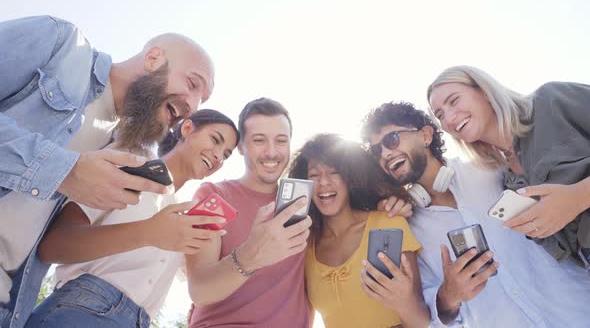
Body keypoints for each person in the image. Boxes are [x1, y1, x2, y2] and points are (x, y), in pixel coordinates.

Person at [0, 15, 214, 327]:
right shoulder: (62, 44)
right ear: (154, 58)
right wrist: (64, 169)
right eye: (193, 84)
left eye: (201, 100)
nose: (193, 105)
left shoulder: (117, 149)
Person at [361, 101, 590, 328]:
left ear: (425, 135)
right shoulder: (407, 228)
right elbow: (431, 320)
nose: (385, 154)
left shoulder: (491, 167)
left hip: (578, 312)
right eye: (376, 151)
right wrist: (448, 297)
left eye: (391, 140)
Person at [25, 109, 238, 328]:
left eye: (227, 154)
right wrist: (148, 233)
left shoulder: (182, 219)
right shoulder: (132, 161)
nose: (218, 156)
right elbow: (53, 245)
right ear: (187, 128)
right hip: (82, 312)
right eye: (215, 140)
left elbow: (203, 284)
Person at [427, 65, 590, 264]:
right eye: (440, 115)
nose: (449, 118)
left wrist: (579, 196)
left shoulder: (551, 100)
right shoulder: (508, 182)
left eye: (454, 100)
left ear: (484, 91)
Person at [186, 98, 313, 327]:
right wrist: (250, 256)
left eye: (281, 141)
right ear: (242, 146)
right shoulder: (213, 196)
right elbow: (199, 290)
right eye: (259, 141)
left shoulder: (301, 204)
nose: (271, 152)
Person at [288, 133, 429, 328]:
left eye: (334, 172)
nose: (323, 182)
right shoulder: (305, 243)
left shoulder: (387, 223)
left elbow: (421, 321)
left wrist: (405, 304)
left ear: (349, 178)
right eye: (313, 175)